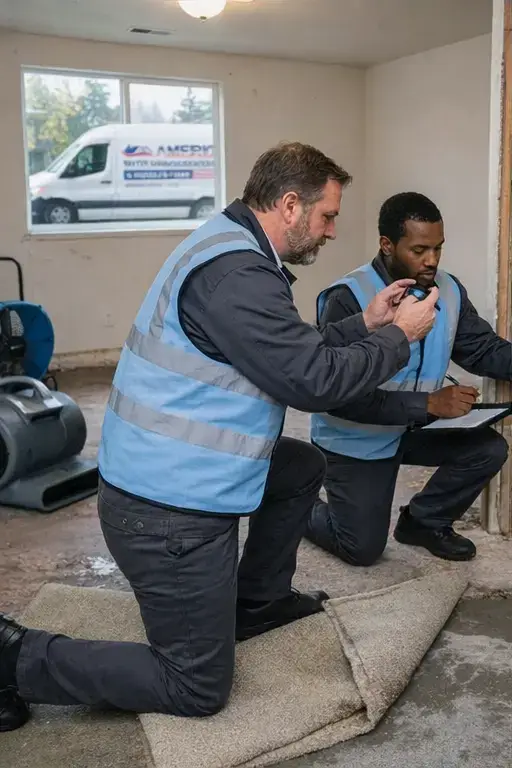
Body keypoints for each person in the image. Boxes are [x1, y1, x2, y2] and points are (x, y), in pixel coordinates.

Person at [0, 146, 437, 732]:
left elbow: (285, 349)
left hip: (164, 475)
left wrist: (366, 325)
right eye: (328, 216)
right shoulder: (239, 275)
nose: (333, 230)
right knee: (196, 685)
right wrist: (401, 339)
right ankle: (13, 657)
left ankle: (256, 602)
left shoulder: (229, 242)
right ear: (289, 206)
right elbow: (313, 381)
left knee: (300, 466)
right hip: (167, 511)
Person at [307, 191, 511, 568]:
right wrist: (430, 404)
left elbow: (481, 349)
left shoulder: (447, 290)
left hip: (414, 426)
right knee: (362, 549)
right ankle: (295, 503)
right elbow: (337, 396)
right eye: (419, 250)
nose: (431, 260)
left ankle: (422, 522)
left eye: (438, 248)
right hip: (356, 436)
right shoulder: (349, 297)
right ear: (387, 245)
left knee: (488, 449)